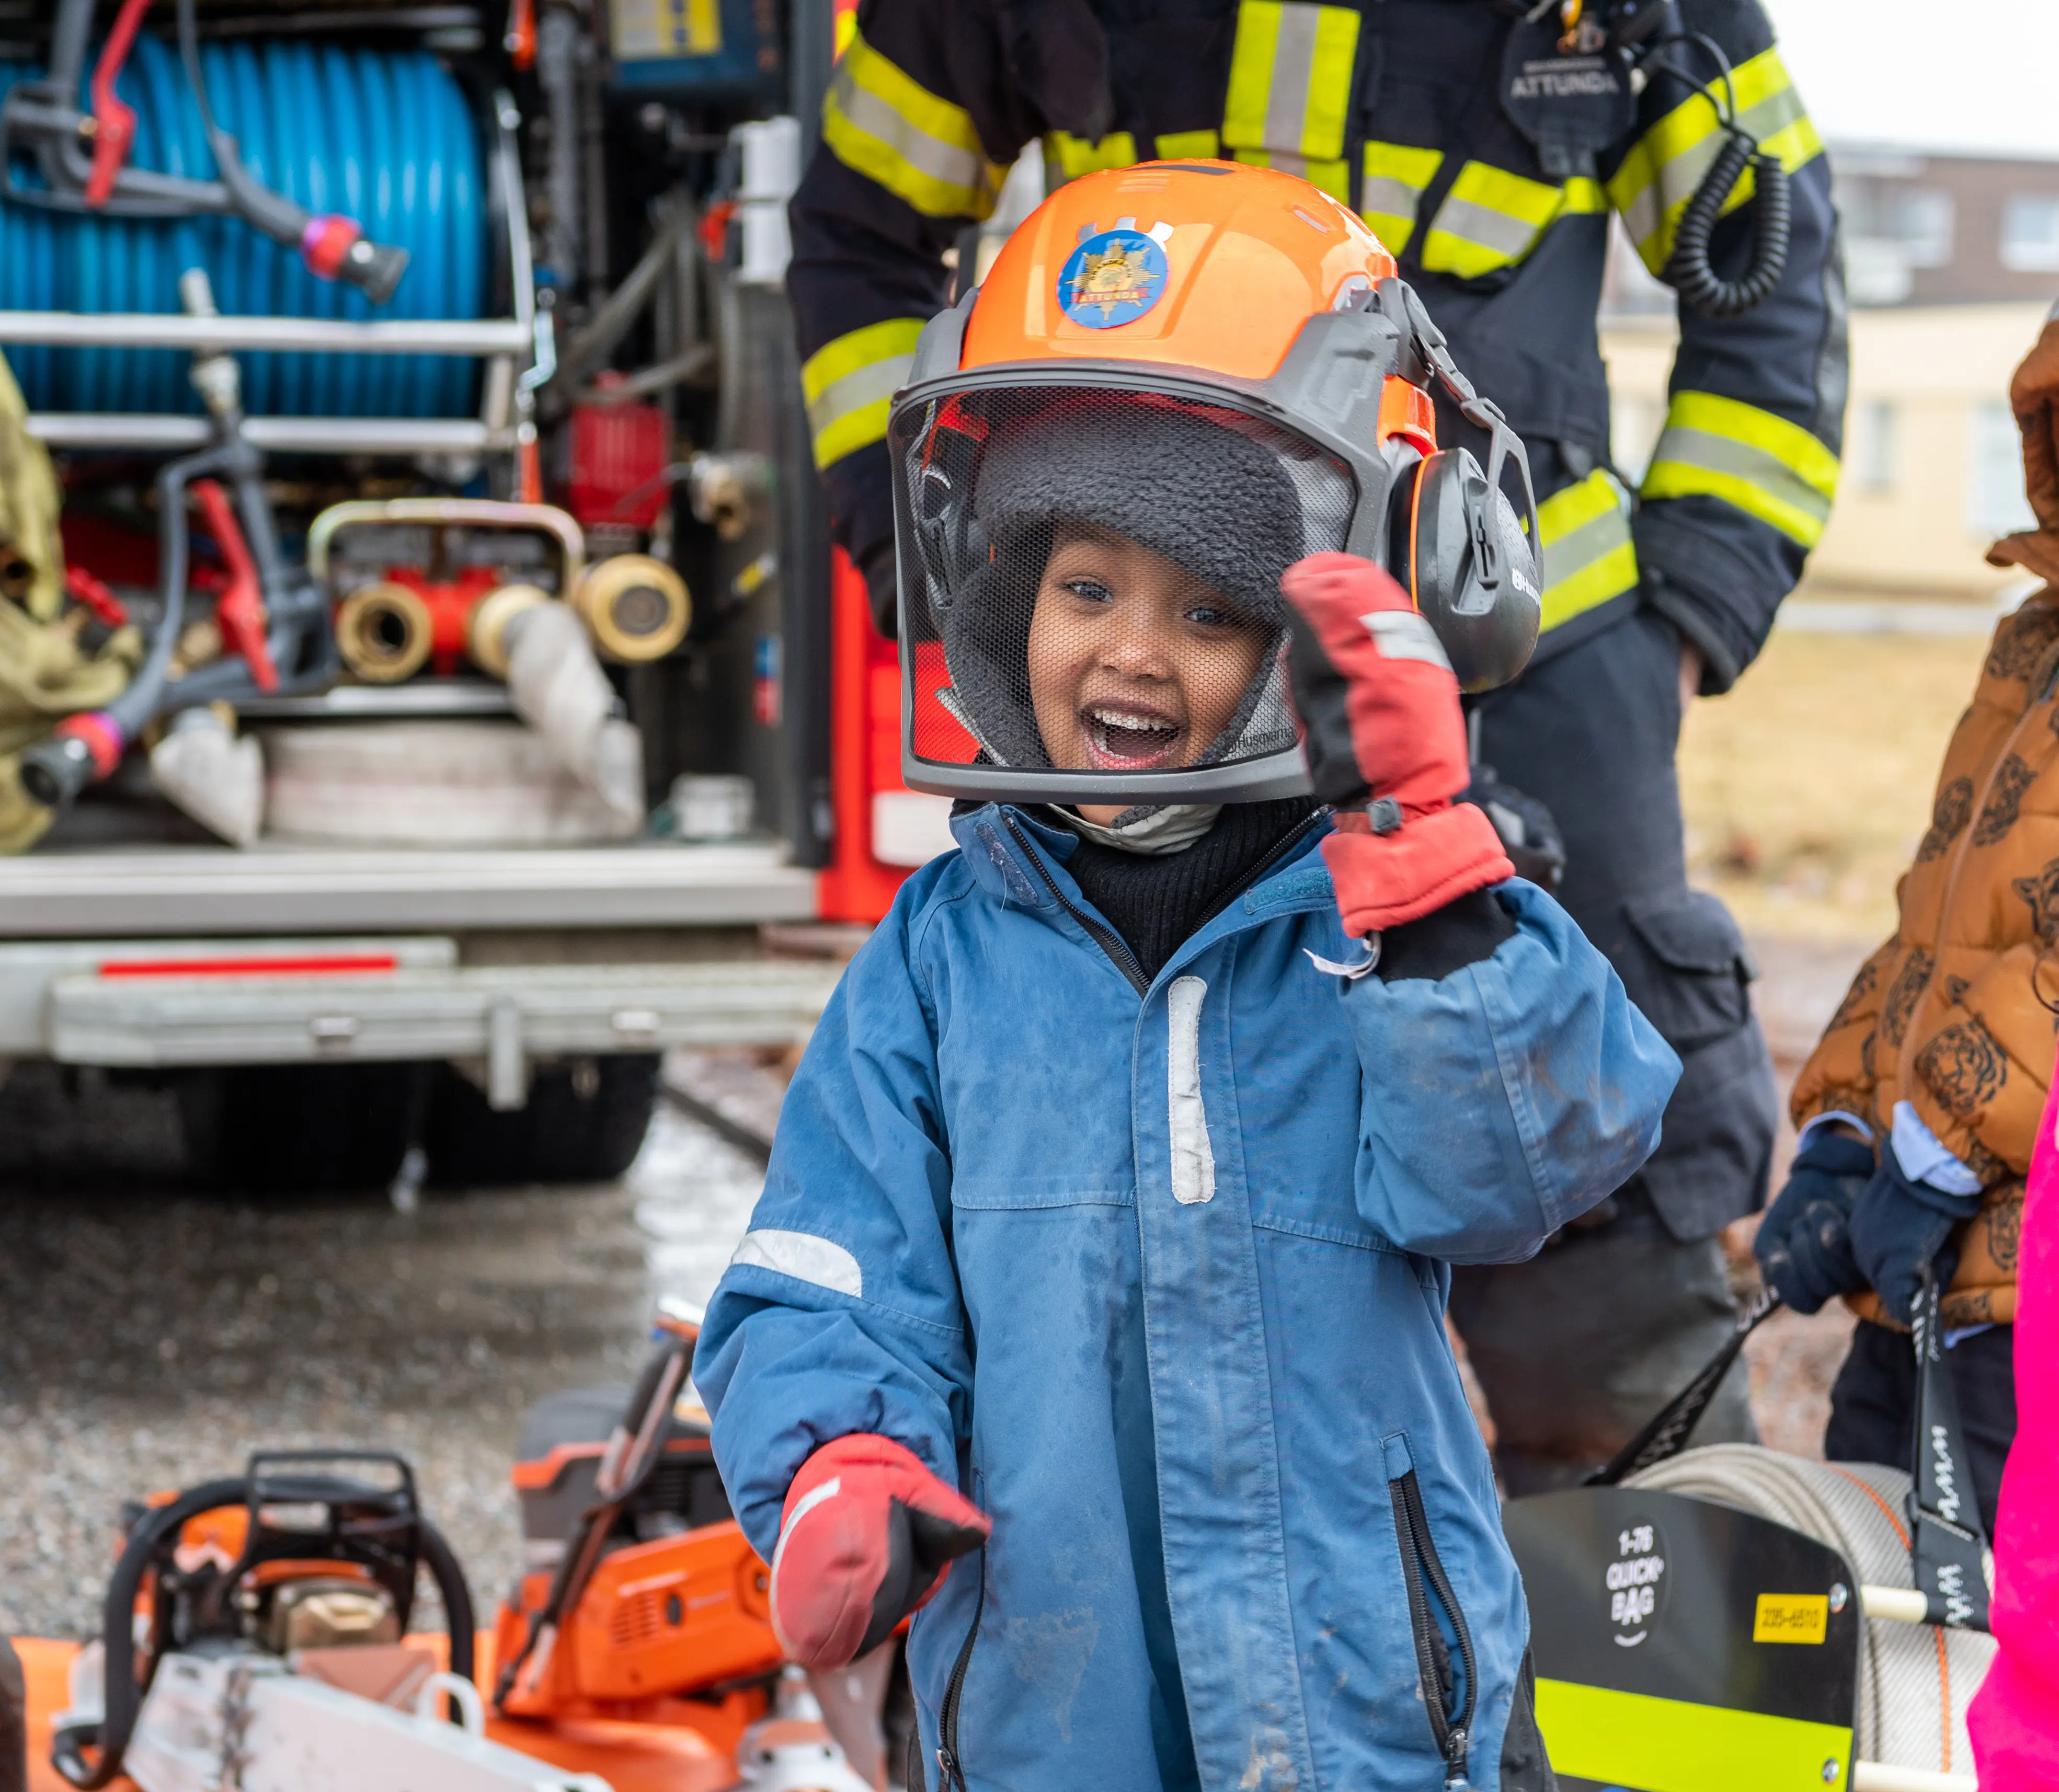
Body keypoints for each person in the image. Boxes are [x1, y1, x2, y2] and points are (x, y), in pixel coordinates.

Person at [699, 162, 1679, 1792]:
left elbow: (1521, 1172)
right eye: (1083, 589)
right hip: (1042, 1724)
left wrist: (1432, 893)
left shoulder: (1385, 911)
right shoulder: (939, 963)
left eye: (1211, 608)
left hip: (1364, 1722)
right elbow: (824, 1268)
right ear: (1000, 603)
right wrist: (837, 1458)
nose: (1131, 651)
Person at [789, 0, 1847, 1490]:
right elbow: (858, 229)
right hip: (1155, 692)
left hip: (1523, 684)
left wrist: (1678, 617)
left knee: (1594, 1277)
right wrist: (928, 567)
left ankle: (1642, 1677)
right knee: (1118, 1270)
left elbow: (1776, 278)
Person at [1751, 313, 2059, 1537]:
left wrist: (1936, 1141)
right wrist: (1842, 1126)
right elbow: (1932, 906)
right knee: (1860, 1608)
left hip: (2023, 1280)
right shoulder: (2032, 643)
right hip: (1920, 1253)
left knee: (1985, 1647)